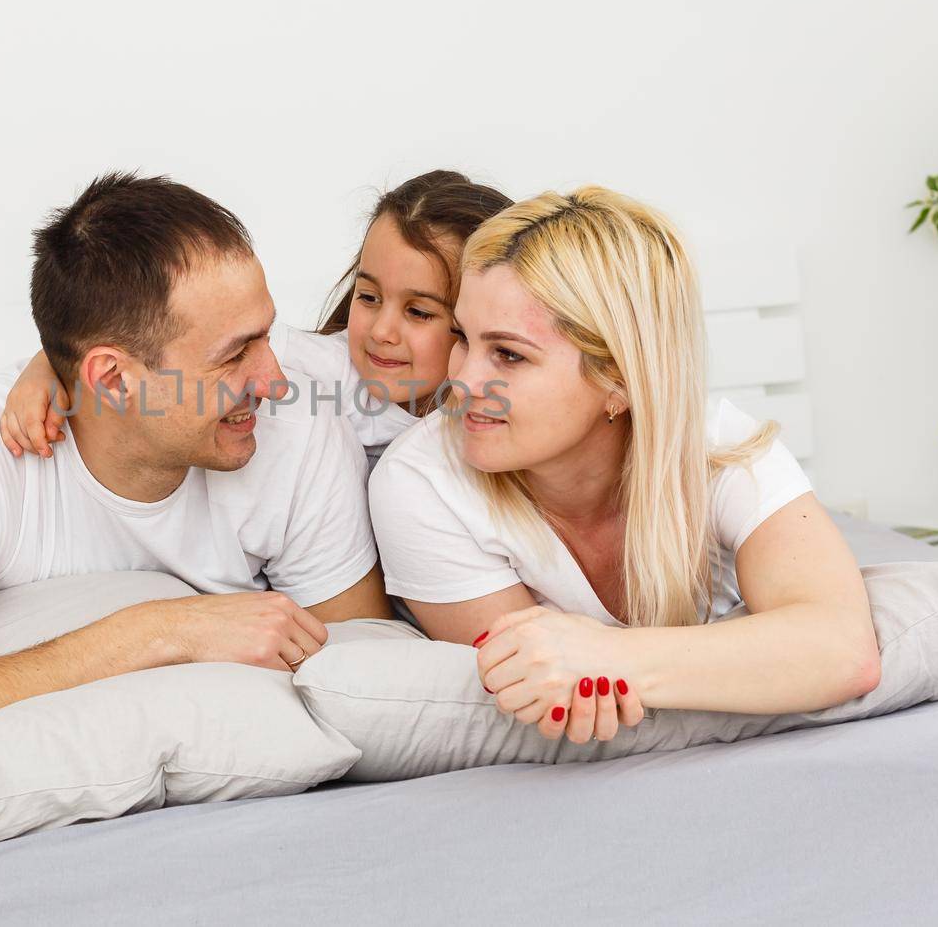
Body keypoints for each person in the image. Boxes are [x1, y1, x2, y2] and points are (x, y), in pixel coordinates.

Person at [0, 172, 393, 753]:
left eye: (265, 336)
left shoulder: (299, 430)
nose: (273, 381)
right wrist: (158, 630)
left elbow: (372, 688)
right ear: (112, 379)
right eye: (235, 355)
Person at [369, 187, 881, 746]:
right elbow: (542, 702)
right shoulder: (421, 484)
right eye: (462, 339)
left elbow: (844, 649)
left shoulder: (717, 447)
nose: (461, 382)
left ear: (619, 379)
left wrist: (611, 654)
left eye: (509, 354)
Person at [0, 170, 513, 470]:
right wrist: (45, 369)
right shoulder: (325, 369)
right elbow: (118, 336)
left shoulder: (502, 403)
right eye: (369, 296)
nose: (381, 331)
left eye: (419, 311)